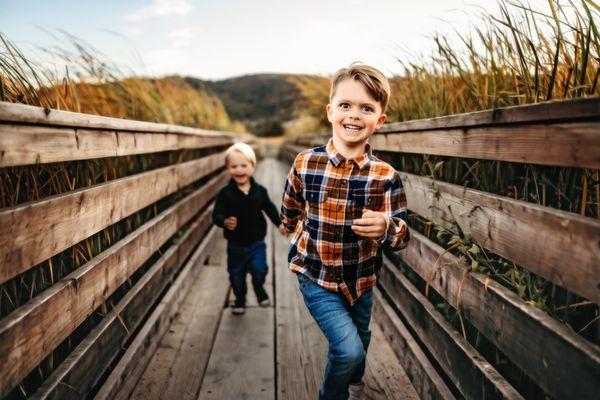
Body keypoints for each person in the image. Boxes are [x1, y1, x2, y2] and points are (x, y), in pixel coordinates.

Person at [280, 63, 410, 400]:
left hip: (361, 277)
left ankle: (355, 383)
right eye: (345, 105)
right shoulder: (305, 162)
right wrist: (288, 224)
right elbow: (292, 202)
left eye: (367, 108)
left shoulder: (385, 175)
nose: (354, 115)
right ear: (330, 112)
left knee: (361, 337)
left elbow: (402, 234)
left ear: (379, 120)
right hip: (316, 273)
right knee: (348, 349)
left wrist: (385, 226)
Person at [213, 142, 286, 315]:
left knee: (260, 271)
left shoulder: (259, 191)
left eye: (244, 165)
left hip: (256, 243)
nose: (239, 170)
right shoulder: (225, 193)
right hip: (235, 245)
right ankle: (239, 300)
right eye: (234, 166)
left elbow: (270, 209)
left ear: (253, 167)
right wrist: (224, 221)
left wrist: (280, 224)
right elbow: (216, 215)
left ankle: (259, 288)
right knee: (236, 277)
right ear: (228, 169)